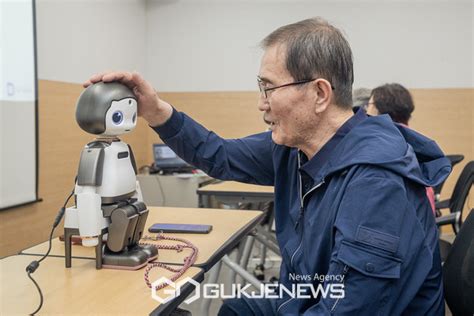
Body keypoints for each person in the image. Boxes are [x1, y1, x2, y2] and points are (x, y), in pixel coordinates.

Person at [85, 17, 450, 315]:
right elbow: (219, 155)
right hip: (307, 296)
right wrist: (157, 111)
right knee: (234, 310)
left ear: (319, 94)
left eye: (268, 88)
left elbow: (347, 309)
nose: (262, 104)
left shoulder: (375, 182)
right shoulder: (295, 148)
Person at [367, 83, 436, 213]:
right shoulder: (412, 140)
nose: (366, 110)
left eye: (369, 105)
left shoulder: (388, 145)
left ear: (379, 109)